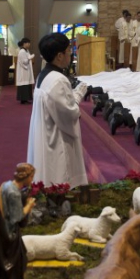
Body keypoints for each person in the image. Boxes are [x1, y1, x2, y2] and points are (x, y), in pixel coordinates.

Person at [27, 33, 88, 188]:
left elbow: (57, 104)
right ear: (59, 56)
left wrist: (72, 94)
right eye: (69, 50)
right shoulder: (59, 79)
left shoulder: (44, 75)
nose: (71, 54)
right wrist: (79, 94)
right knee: (59, 179)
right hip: (56, 140)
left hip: (45, 133)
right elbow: (69, 113)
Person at [15, 37, 34, 104]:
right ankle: (23, 100)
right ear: (24, 43)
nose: (29, 44)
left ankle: (26, 99)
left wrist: (29, 57)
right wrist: (30, 58)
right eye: (28, 43)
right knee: (24, 84)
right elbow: (24, 62)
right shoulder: (22, 51)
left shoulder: (27, 50)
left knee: (27, 84)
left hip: (27, 71)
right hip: (23, 71)